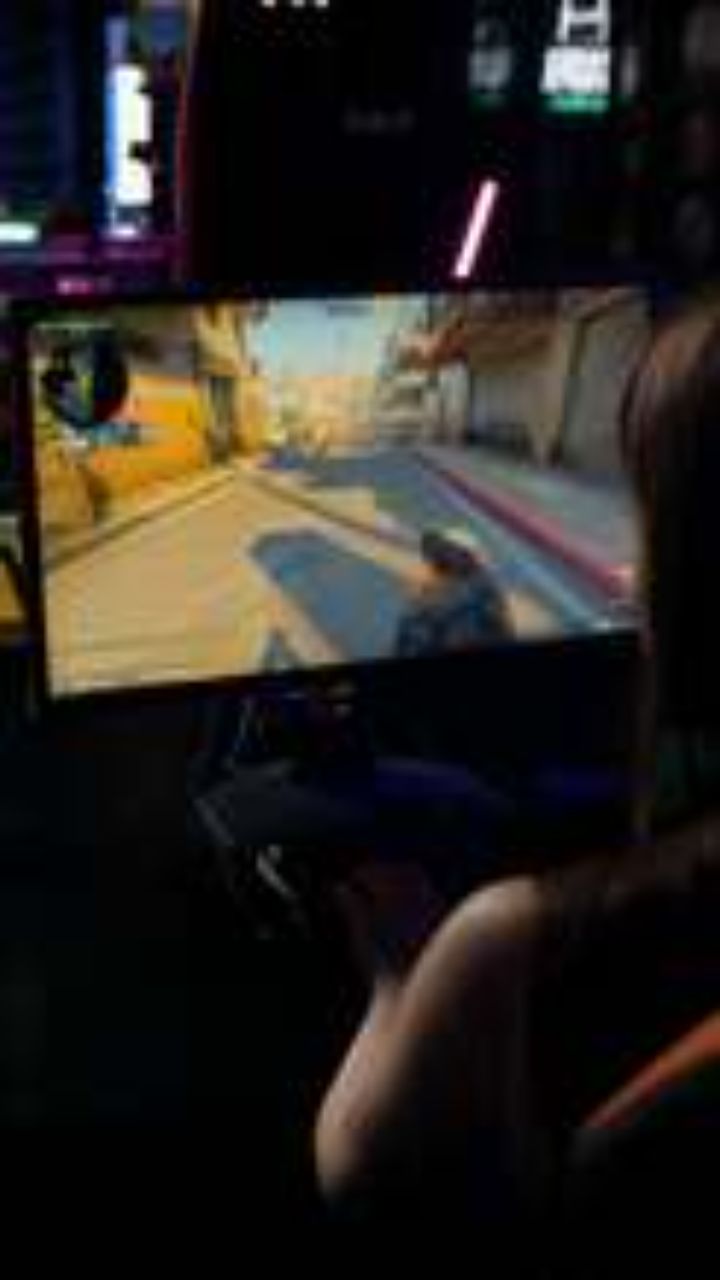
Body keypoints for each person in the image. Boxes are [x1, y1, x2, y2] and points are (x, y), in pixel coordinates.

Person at [312, 294, 720, 1258]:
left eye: (649, 520)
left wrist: (402, 981)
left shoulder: (506, 941)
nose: (630, 578)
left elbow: (355, 1173)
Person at [394, 527, 514, 657]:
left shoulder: (479, 589)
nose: (447, 556)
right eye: (444, 551)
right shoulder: (434, 585)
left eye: (452, 551)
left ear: (467, 558)